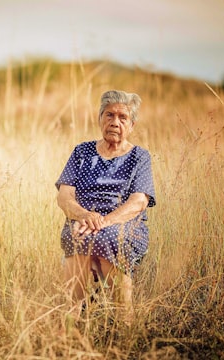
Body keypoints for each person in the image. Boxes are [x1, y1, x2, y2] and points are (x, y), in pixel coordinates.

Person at [55, 90, 156, 322]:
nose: (115, 122)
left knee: (107, 237)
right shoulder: (82, 152)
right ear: (100, 118)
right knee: (76, 236)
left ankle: (124, 319)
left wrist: (102, 222)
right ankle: (72, 318)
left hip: (124, 226)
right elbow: (64, 197)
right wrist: (85, 215)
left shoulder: (140, 157)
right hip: (83, 223)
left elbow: (139, 201)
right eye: (109, 115)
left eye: (123, 117)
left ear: (132, 125)